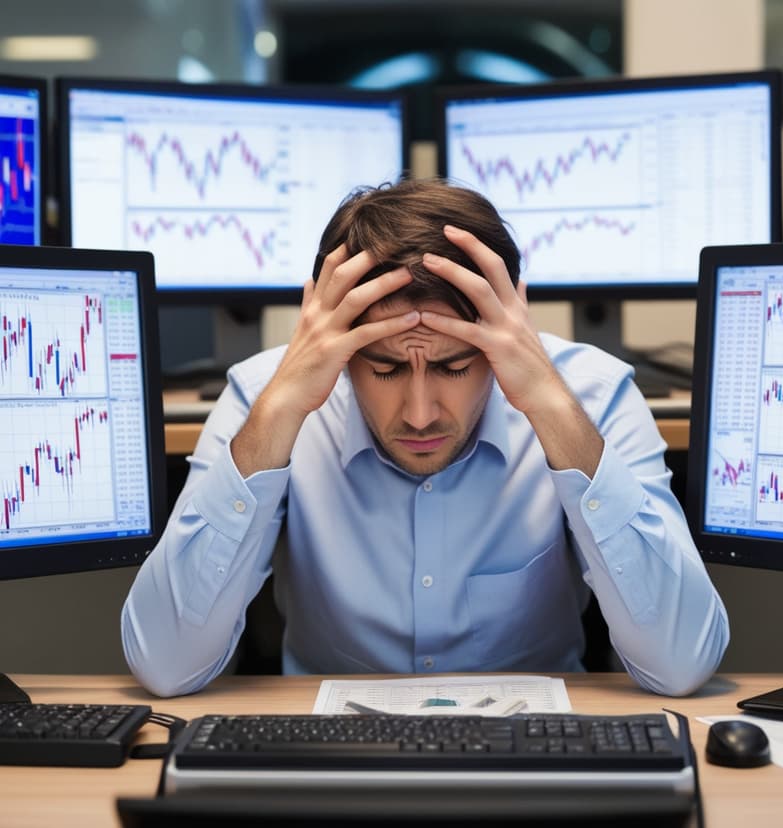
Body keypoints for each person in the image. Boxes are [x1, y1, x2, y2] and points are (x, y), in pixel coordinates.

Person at [122, 178, 729, 698]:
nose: (418, 416)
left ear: (508, 330)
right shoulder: (264, 398)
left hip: (533, 752)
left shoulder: (591, 397)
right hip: (331, 757)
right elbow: (167, 666)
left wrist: (549, 406)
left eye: (454, 366)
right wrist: (279, 413)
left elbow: (679, 664)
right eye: (385, 368)